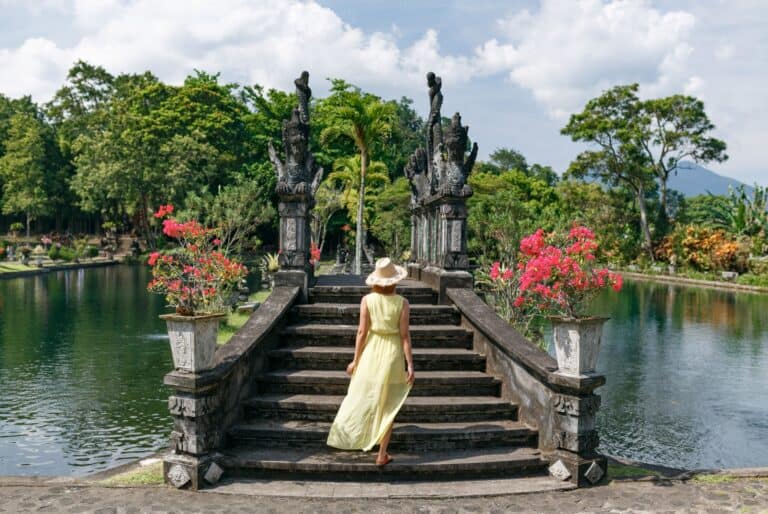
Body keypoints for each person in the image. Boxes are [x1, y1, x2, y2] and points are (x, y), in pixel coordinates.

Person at [327, 258, 415, 465]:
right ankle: (382, 453)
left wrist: (355, 361)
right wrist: (409, 364)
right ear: (395, 281)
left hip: (372, 351)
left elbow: (361, 332)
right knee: (389, 404)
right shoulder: (402, 303)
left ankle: (355, 435)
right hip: (393, 353)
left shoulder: (367, 300)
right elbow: (405, 336)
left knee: (364, 395)